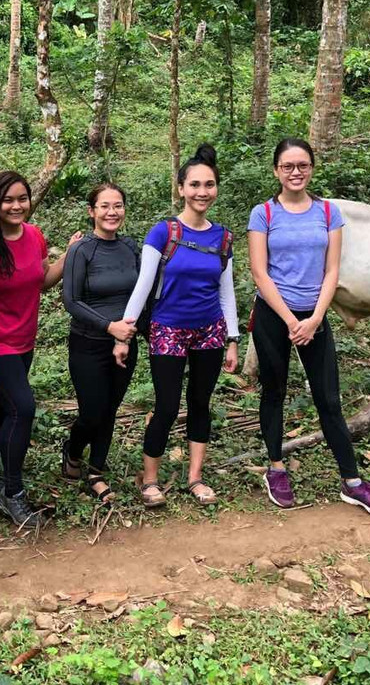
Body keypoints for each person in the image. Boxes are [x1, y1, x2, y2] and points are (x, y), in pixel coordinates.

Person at [247, 138, 370, 517]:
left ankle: (353, 481)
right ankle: (276, 467)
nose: (295, 172)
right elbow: (260, 272)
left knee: (328, 398)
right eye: (287, 166)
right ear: (276, 170)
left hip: (315, 317)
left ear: (312, 168)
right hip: (273, 316)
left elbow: (332, 270)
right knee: (274, 391)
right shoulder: (263, 213)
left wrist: (313, 319)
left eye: (303, 165)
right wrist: (291, 320)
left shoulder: (328, 213)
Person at [0, 171, 80, 529]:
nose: (16, 206)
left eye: (22, 198)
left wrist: (69, 255)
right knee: (22, 409)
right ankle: (11, 493)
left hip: (22, 340)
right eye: (8, 200)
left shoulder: (34, 236)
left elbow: (40, 281)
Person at [122, 145, 239, 509]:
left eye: (209, 184)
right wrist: (125, 332)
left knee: (200, 403)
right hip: (167, 328)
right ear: (181, 188)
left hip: (210, 331)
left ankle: (195, 477)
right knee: (168, 405)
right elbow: (143, 285)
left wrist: (233, 338)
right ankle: (151, 479)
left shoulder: (223, 238)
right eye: (195, 185)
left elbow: (226, 292)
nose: (202, 192)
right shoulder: (164, 232)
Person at [60, 183, 140, 503]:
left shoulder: (131, 247)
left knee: (110, 410)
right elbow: (72, 300)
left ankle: (96, 471)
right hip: (89, 343)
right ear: (92, 211)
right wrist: (111, 328)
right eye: (104, 206)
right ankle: (73, 449)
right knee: (92, 412)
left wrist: (128, 334)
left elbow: (141, 294)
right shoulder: (82, 250)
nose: (112, 212)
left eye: (117, 205)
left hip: (125, 344)